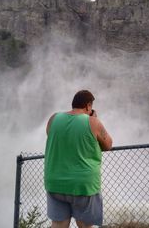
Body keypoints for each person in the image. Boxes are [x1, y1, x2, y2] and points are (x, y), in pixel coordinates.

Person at [44, 90, 113, 228]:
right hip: (83, 185)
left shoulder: (54, 118)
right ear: (88, 106)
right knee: (85, 225)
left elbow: (51, 136)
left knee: (58, 224)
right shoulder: (93, 122)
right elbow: (108, 145)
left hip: (55, 182)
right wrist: (95, 119)